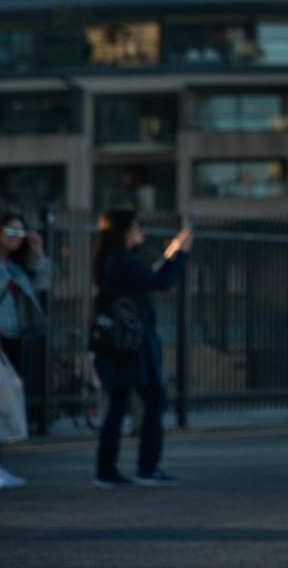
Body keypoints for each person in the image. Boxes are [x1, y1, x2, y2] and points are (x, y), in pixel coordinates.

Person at [91, 208, 190, 489]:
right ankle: (145, 468)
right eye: (137, 227)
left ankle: (106, 471)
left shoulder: (112, 260)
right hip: (134, 344)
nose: (141, 232)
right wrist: (180, 254)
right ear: (124, 231)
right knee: (154, 400)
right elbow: (161, 281)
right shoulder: (122, 260)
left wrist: (171, 254)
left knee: (119, 403)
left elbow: (148, 277)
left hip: (117, 343)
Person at [0, 209, 52, 490]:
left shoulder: (16, 266)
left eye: (20, 232)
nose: (14, 238)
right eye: (10, 231)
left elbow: (44, 282)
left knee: (2, 402)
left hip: (12, 336)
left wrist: (37, 250)